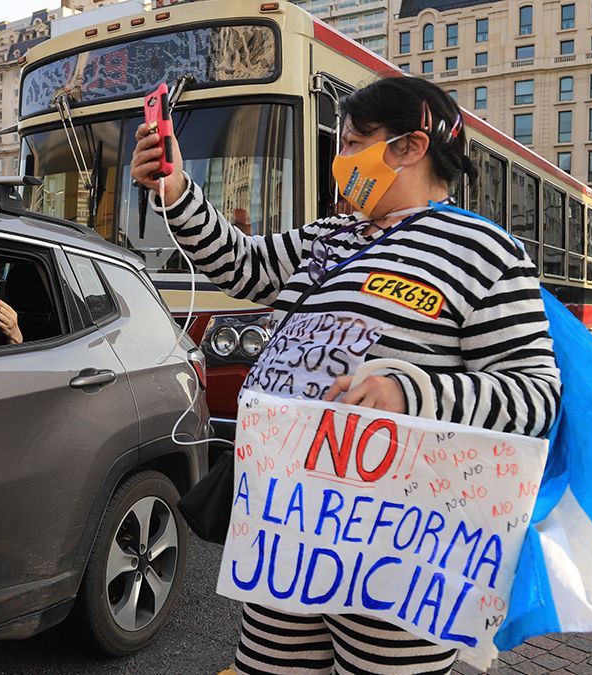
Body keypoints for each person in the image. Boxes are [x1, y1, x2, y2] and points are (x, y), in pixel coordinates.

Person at [132, 75, 560, 675]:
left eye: (354, 139)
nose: (340, 158)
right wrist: (174, 189)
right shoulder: (328, 237)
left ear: (409, 147)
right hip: (288, 526)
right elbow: (240, 262)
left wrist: (409, 391)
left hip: (394, 546)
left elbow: (533, 395)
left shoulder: (486, 252)